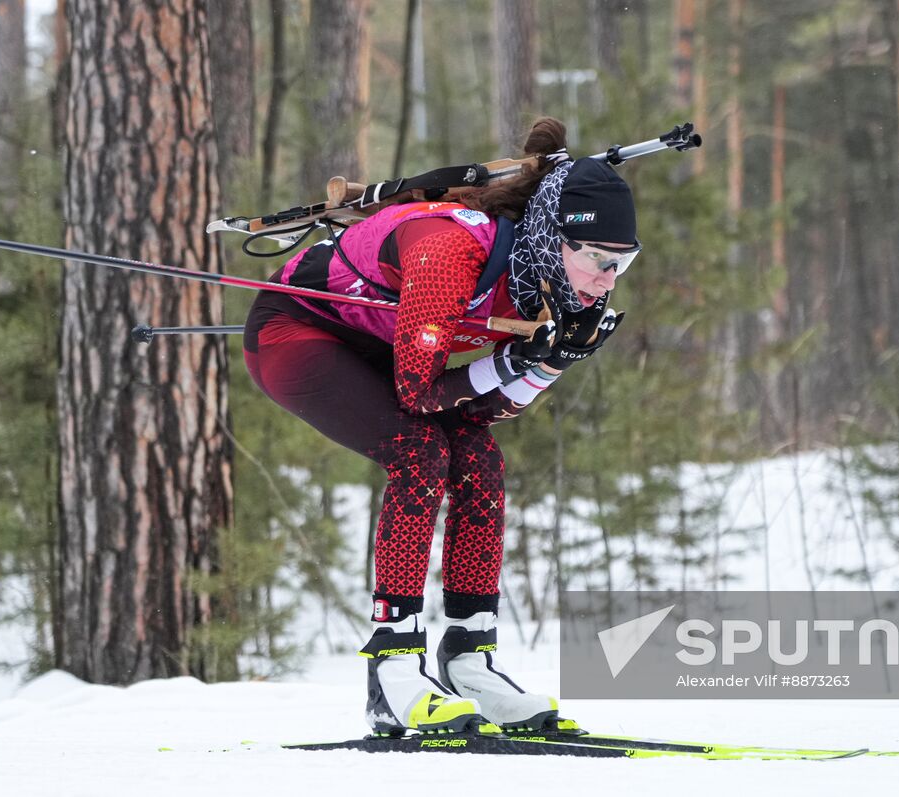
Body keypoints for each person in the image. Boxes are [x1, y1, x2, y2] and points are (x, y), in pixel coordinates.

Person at [243, 117, 641, 736]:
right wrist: (515, 359)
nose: (605, 281)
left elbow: (484, 412)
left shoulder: (553, 279)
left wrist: (548, 365)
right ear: (547, 235)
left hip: (382, 348)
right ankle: (393, 669)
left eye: (622, 263)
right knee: (419, 449)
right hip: (296, 330)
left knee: (479, 457)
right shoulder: (448, 252)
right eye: (594, 258)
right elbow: (420, 394)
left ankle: (469, 658)